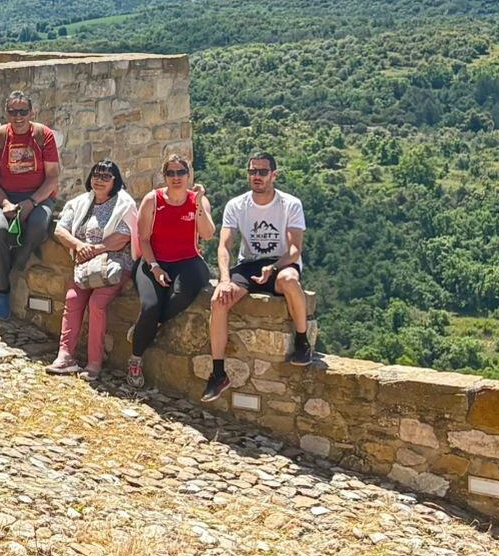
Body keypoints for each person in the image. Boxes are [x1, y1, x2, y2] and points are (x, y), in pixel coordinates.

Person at [206, 152, 314, 400]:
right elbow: (224, 245)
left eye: (262, 172)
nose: (257, 176)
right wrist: (224, 280)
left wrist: (274, 267)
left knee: (288, 280)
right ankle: (218, 373)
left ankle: (301, 340)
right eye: (253, 171)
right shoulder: (237, 205)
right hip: (250, 264)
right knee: (217, 301)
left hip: (282, 262)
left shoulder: (290, 204)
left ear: (273, 175)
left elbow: (295, 249)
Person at [130, 151, 215, 385]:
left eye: (181, 172)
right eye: (171, 173)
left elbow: (208, 234)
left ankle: (145, 328)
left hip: (187, 260)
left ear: (189, 175)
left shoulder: (197, 200)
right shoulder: (153, 200)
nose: (176, 177)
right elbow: (144, 239)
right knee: (151, 306)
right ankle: (135, 359)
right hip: (154, 259)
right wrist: (155, 267)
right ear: (164, 176)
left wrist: (198, 205)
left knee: (180, 296)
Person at [48, 161, 138, 378]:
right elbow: (60, 229)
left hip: (113, 264)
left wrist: (95, 249)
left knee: (97, 304)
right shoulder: (81, 202)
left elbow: (123, 237)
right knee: (72, 299)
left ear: (115, 181)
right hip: (86, 265)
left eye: (106, 176)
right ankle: (65, 356)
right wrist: (79, 246)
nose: (99, 180)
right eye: (96, 175)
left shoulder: (123, 204)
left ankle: (94, 363)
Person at [0, 90, 61, 320]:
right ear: (6, 113)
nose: (18, 117)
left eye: (23, 111)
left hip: (39, 196)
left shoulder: (43, 135)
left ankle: (5, 270)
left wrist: (32, 202)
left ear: (31, 112)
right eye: (13, 111)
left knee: (38, 225)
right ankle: (2, 291)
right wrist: (5, 202)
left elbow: (53, 176)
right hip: (5, 196)